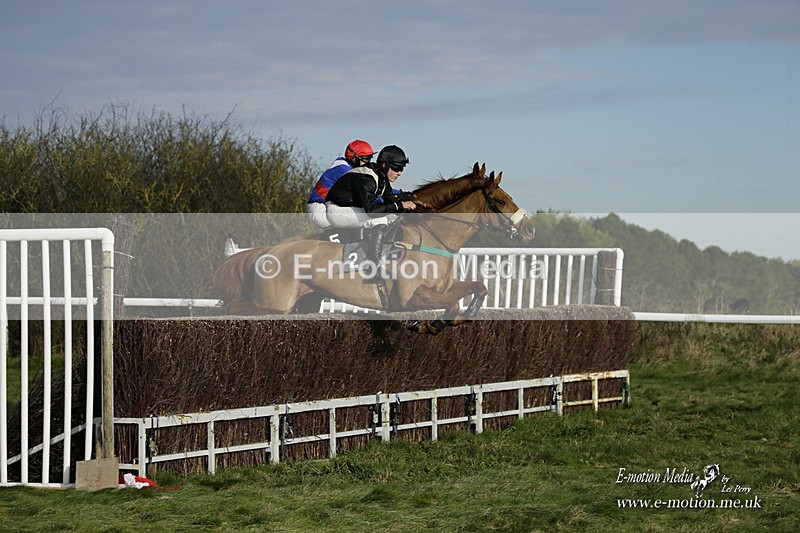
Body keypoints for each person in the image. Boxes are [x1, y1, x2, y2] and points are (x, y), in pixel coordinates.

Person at [325, 145, 417, 268]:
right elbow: (372, 211)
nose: (399, 173)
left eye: (402, 169)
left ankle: (383, 255)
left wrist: (412, 198)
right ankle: (373, 264)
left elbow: (390, 198)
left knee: (393, 217)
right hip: (336, 211)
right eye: (397, 168)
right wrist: (400, 204)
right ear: (384, 165)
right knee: (380, 219)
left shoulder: (381, 177)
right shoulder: (366, 178)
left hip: (349, 209)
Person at [307, 139, 376, 228]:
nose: (368, 163)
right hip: (321, 210)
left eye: (370, 158)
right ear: (354, 158)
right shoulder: (344, 170)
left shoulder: (346, 167)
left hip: (324, 208)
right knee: (374, 218)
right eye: (366, 159)